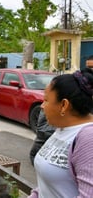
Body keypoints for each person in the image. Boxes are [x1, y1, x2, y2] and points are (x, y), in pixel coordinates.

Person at [29, 69, 93, 197]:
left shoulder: (88, 137)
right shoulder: (61, 129)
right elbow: (47, 184)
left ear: (64, 105)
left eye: (46, 100)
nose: (42, 106)